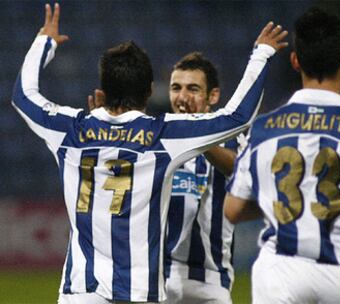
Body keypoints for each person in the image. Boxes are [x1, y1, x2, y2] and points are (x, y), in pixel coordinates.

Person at [12, 3, 288, 304]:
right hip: (136, 293)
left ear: (103, 90)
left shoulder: (70, 130)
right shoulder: (161, 135)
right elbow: (237, 117)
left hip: (79, 292)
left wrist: (44, 41)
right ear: (148, 93)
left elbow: (24, 95)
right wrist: (261, 53)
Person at [224, 7, 340, 304]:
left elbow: (233, 209)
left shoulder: (263, 129)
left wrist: (285, 201)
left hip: (278, 269)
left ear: (295, 61)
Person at [164, 53, 241, 304]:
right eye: (176, 88)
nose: (183, 97)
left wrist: (200, 138)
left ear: (213, 96)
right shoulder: (158, 137)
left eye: (193, 89)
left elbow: (239, 169)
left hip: (211, 280)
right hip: (160, 278)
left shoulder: (231, 138)